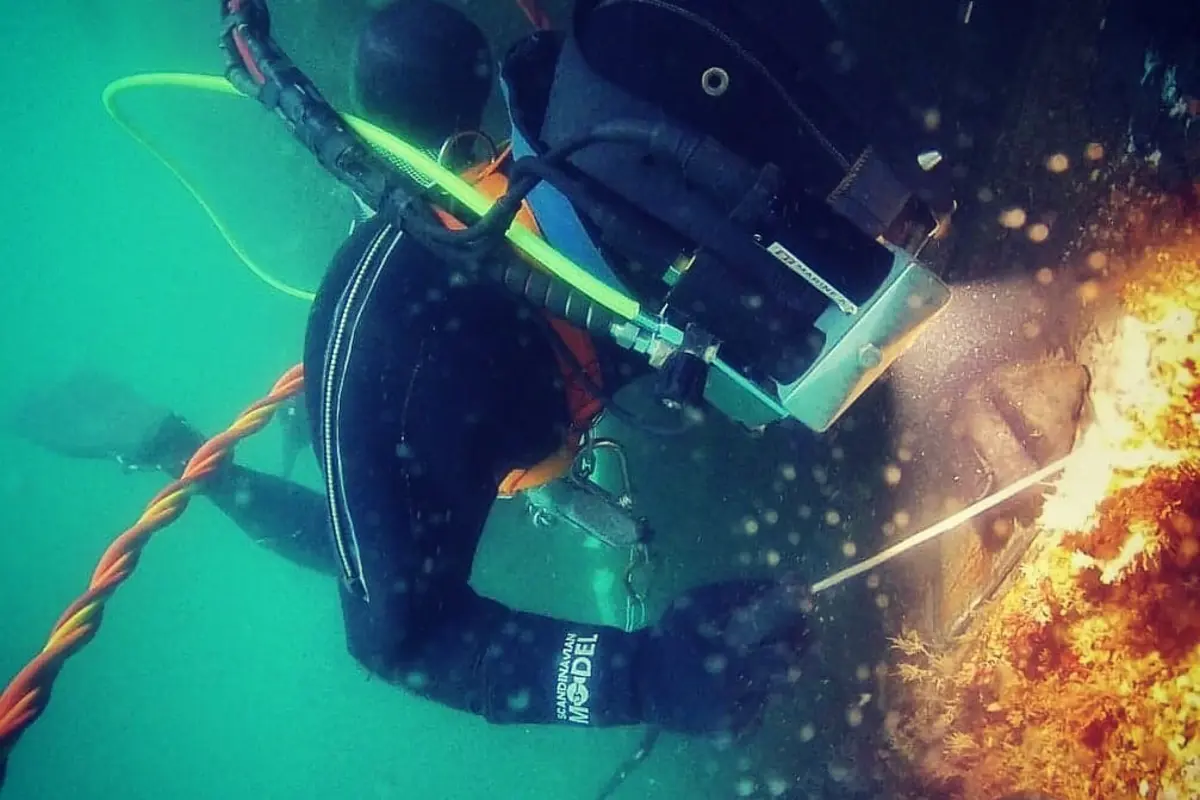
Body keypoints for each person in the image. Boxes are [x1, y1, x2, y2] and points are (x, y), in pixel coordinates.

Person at [14, 0, 966, 736]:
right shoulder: (404, 364)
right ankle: (165, 443)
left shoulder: (657, 67)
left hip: (560, 341)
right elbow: (400, 636)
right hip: (470, 411)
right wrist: (644, 677)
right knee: (384, 553)